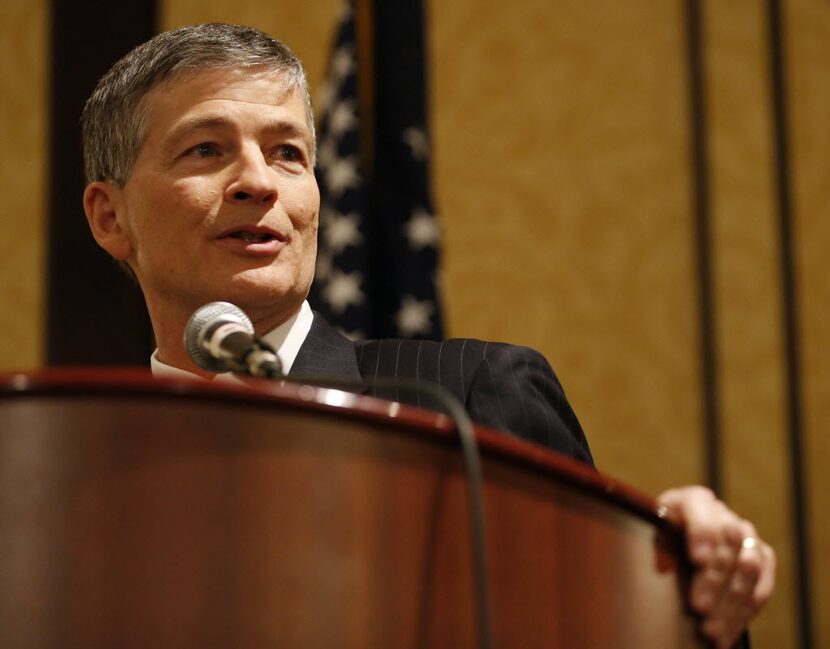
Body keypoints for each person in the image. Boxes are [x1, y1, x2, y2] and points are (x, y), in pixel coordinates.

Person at [81, 23, 775, 648]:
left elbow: (596, 620)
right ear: (110, 216)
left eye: (288, 153)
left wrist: (676, 577)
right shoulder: (73, 474)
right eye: (207, 149)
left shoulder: (464, 398)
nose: (259, 182)